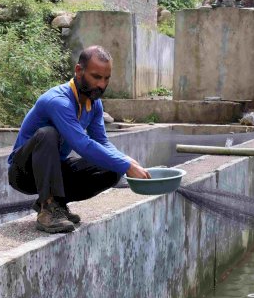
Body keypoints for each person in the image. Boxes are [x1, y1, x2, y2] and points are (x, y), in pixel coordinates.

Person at [8, 46, 151, 234]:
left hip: (54, 170)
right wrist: (126, 165)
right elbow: (82, 144)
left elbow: (101, 141)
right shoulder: (58, 101)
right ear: (78, 71)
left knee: (112, 169)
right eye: (96, 77)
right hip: (23, 172)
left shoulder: (94, 103)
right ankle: (48, 210)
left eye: (106, 78)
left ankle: (57, 203)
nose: (102, 85)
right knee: (47, 133)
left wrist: (127, 161)